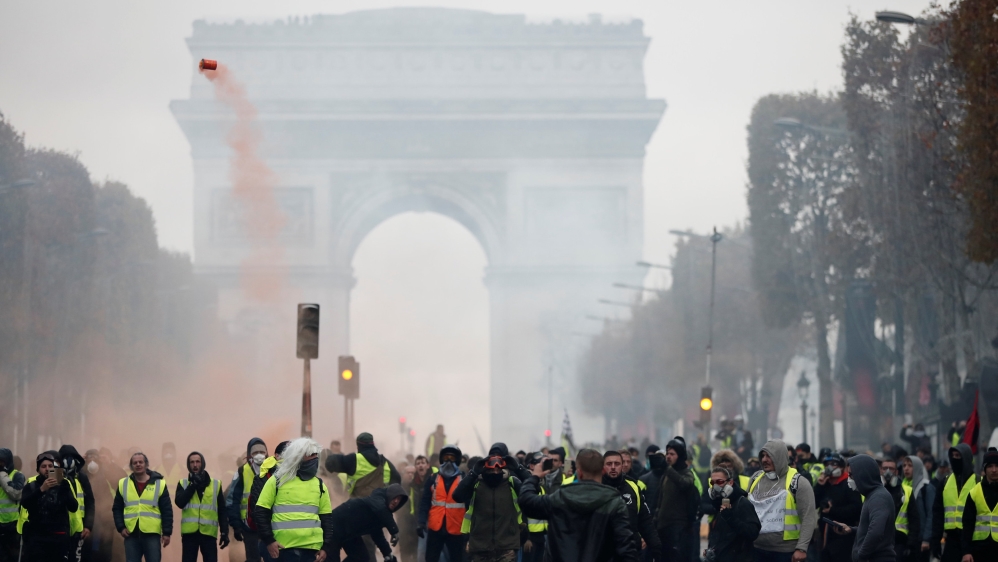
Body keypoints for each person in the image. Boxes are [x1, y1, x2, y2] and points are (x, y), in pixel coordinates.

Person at [518, 448, 639, 562]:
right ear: (602, 471)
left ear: (579, 473)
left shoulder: (559, 498)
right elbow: (626, 548)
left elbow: (526, 501)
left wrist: (534, 477)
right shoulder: (614, 502)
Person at [251, 438, 335, 562]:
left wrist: (326, 547)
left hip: (311, 552)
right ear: (298, 456)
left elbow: (327, 519)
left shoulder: (319, 484)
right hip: (282, 550)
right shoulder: (277, 481)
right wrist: (269, 541)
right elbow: (260, 512)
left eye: (316, 455)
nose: (315, 458)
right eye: (311, 455)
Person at [747, 440, 816, 562]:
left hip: (785, 553)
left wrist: (801, 548)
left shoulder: (798, 482)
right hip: (755, 549)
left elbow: (808, 517)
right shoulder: (755, 479)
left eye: (769, 455)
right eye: (762, 455)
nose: (764, 460)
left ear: (779, 456)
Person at [453, 443, 523, 562]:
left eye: (498, 468)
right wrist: (473, 472)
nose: (495, 472)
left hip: (506, 547)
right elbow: (457, 496)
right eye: (492, 467)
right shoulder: (476, 483)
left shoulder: (512, 482)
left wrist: (518, 468)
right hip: (480, 546)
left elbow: (533, 493)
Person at [18, 451, 80, 561]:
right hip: (37, 539)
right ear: (38, 469)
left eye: (50, 466)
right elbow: (25, 503)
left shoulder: (63, 484)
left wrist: (65, 490)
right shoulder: (31, 486)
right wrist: (41, 489)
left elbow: (73, 507)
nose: (47, 469)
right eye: (43, 466)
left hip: (58, 538)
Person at [112, 452, 172, 562]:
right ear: (131, 466)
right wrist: (121, 527)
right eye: (135, 463)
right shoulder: (123, 484)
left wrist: (167, 533)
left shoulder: (159, 483)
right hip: (131, 534)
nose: (138, 464)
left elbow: (167, 510)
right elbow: (117, 508)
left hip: (152, 535)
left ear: (146, 464)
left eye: (141, 462)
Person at [602, 450, 661, 560]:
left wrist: (656, 548)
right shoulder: (597, 487)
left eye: (617, 464)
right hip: (605, 552)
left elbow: (645, 520)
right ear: (603, 466)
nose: (613, 467)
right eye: (609, 464)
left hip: (630, 551)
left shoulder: (632, 486)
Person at [175, 451, 228, 562]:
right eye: (192, 462)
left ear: (203, 463)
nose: (195, 465)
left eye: (198, 462)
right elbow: (179, 503)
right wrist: (193, 485)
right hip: (190, 534)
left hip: (208, 533)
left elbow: (222, 510)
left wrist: (224, 532)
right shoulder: (183, 483)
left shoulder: (215, 484)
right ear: (188, 465)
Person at [650, 438, 698, 561]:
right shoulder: (666, 475)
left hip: (678, 528)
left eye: (672, 454)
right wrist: (655, 521)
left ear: (680, 456)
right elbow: (660, 500)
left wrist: (668, 469)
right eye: (667, 454)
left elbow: (685, 484)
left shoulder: (686, 473)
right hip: (662, 527)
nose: (668, 457)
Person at [417, 445, 466, 562]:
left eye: (452, 458)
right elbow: (425, 502)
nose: (448, 461)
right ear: (441, 460)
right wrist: (421, 522)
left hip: (456, 529)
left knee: (457, 559)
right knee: (431, 558)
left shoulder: (464, 480)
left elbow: (470, 505)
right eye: (446, 458)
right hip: (435, 528)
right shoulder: (433, 479)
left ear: (457, 460)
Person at [704, 466, 760, 562]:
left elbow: (753, 532)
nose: (715, 486)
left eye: (720, 482)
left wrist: (730, 518)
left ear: (730, 482)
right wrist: (712, 550)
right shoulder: (719, 503)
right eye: (712, 483)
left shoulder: (742, 503)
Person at [814, 453, 863, 561]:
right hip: (825, 536)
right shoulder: (825, 484)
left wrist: (832, 510)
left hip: (843, 536)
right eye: (827, 464)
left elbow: (857, 508)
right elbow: (814, 503)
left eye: (834, 464)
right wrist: (819, 486)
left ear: (841, 467)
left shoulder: (848, 484)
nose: (829, 467)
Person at [933, 443, 978, 562]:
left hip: (973, 539)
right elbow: (938, 513)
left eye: (958, 456)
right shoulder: (945, 482)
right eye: (953, 456)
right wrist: (935, 540)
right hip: (951, 540)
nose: (954, 459)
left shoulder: (978, 482)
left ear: (966, 458)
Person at [848, 454, 897, 562]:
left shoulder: (878, 497)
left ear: (863, 475)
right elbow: (872, 528)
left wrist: (861, 555)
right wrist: (851, 530)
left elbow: (876, 532)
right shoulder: (871, 495)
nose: (849, 479)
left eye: (851, 475)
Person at [324, 433, 401, 499]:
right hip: (380, 508)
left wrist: (328, 455)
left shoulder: (354, 460)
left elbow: (330, 463)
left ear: (358, 446)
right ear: (373, 444)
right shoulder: (385, 463)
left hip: (358, 507)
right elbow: (397, 481)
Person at [228, 437, 269, 562]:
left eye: (262, 452)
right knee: (253, 559)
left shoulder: (273, 471)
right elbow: (232, 499)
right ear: (249, 454)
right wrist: (236, 525)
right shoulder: (241, 472)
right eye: (255, 452)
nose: (259, 455)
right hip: (248, 526)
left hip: (270, 525)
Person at [86, 448, 126, 562]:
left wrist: (109, 464)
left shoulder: (108, 472)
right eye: (90, 458)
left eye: (96, 458)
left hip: (108, 518)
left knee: (109, 551)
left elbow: (122, 481)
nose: (93, 461)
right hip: (88, 521)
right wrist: (80, 461)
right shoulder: (84, 473)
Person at [960, 448, 998, 562]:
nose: (994, 470)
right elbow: (967, 524)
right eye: (990, 466)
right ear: (985, 469)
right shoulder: (975, 492)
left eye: (997, 466)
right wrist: (966, 551)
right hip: (979, 550)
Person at [59, 444, 95, 562]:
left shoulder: (82, 477)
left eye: (72, 457)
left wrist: (88, 526)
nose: (69, 460)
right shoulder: (56, 476)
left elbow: (90, 501)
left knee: (76, 558)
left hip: (79, 528)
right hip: (60, 526)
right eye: (65, 457)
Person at [899, 455, 934, 562]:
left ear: (918, 467)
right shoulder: (900, 487)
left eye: (910, 465)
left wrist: (926, 539)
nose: (906, 468)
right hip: (905, 539)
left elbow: (931, 514)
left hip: (920, 540)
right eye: (904, 465)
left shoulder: (926, 488)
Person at [0, 448, 25, 562]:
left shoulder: (17, 476)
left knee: (12, 558)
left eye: (2, 462)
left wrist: (2, 476)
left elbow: (17, 494)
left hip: (12, 525)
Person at [521, 453, 547, 562]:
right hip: (530, 537)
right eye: (540, 463)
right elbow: (522, 511)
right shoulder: (525, 484)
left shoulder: (539, 484)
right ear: (532, 466)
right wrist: (526, 538)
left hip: (541, 535)